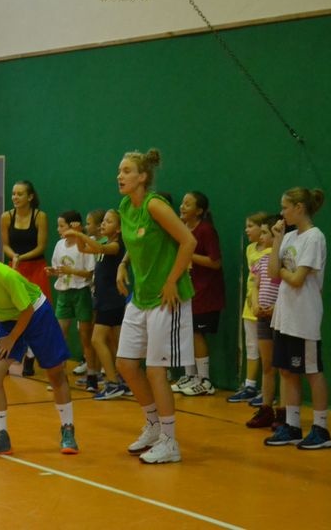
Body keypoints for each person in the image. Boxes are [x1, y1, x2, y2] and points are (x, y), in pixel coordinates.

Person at [0, 232, 78, 456]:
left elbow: (27, 310)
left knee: (55, 373)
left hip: (36, 313)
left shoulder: (4, 274)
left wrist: (12, 338)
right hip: (8, 320)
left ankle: (68, 429)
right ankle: (0, 436)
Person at [115, 149, 196, 464]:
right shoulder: (126, 206)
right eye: (119, 171)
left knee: (156, 370)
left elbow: (188, 241)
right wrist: (123, 264)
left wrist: (172, 280)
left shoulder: (155, 205)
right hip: (141, 297)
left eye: (126, 171)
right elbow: (135, 242)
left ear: (143, 177)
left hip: (166, 297)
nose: (120, 176)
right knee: (125, 364)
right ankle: (152, 425)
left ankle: (170, 441)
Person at [264, 188, 331, 449]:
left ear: (299, 208)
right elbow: (273, 272)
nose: (282, 213)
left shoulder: (314, 237)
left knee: (311, 371)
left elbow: (296, 279)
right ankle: (292, 426)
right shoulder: (290, 236)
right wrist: (277, 240)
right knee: (287, 370)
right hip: (285, 317)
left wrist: (282, 270)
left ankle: (321, 429)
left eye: (285, 207)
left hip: (304, 316)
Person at [65, 209, 129, 400]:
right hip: (104, 300)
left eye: (108, 222)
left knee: (96, 340)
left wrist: (78, 233)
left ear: (118, 229)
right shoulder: (105, 243)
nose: (103, 224)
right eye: (103, 221)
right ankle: (123, 380)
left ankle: (113, 383)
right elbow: (83, 249)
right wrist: (78, 235)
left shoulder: (116, 246)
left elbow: (99, 249)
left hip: (112, 300)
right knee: (115, 343)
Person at [173, 191, 225, 397]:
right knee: (186, 332)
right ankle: (191, 375)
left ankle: (205, 380)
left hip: (206, 293)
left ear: (199, 210)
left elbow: (215, 262)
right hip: (187, 291)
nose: (182, 207)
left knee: (196, 333)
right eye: (182, 203)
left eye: (188, 204)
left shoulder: (206, 231)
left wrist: (188, 253)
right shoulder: (182, 229)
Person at [0, 180, 51, 377]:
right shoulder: (6, 217)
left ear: (30, 197)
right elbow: (5, 244)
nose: (15, 197)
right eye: (13, 193)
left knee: (35, 313)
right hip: (14, 268)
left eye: (20, 194)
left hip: (36, 268)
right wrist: (14, 257)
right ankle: (7, 355)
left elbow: (41, 246)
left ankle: (31, 356)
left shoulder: (40, 216)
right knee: (11, 312)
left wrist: (22, 257)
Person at [47, 210, 97, 391]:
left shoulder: (84, 244)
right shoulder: (59, 245)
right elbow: (59, 268)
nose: (58, 229)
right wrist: (53, 271)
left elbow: (89, 273)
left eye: (61, 226)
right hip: (64, 293)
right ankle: (60, 377)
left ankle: (92, 376)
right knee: (60, 335)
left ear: (73, 226)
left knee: (85, 336)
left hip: (81, 292)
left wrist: (71, 271)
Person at [246, 215, 284, 428]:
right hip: (262, 318)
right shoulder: (260, 260)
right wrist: (255, 304)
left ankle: (283, 413)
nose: (260, 237)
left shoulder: (283, 259)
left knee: (284, 368)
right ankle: (266, 408)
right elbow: (256, 286)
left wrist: (275, 308)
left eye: (264, 233)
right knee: (267, 365)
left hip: (279, 318)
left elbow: (286, 288)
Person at [229, 211, 270, 404]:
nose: (247, 230)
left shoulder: (272, 252)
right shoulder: (250, 249)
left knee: (267, 350)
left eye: (251, 226)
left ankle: (267, 391)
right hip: (250, 305)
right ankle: (250, 386)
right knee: (251, 347)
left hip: (266, 307)